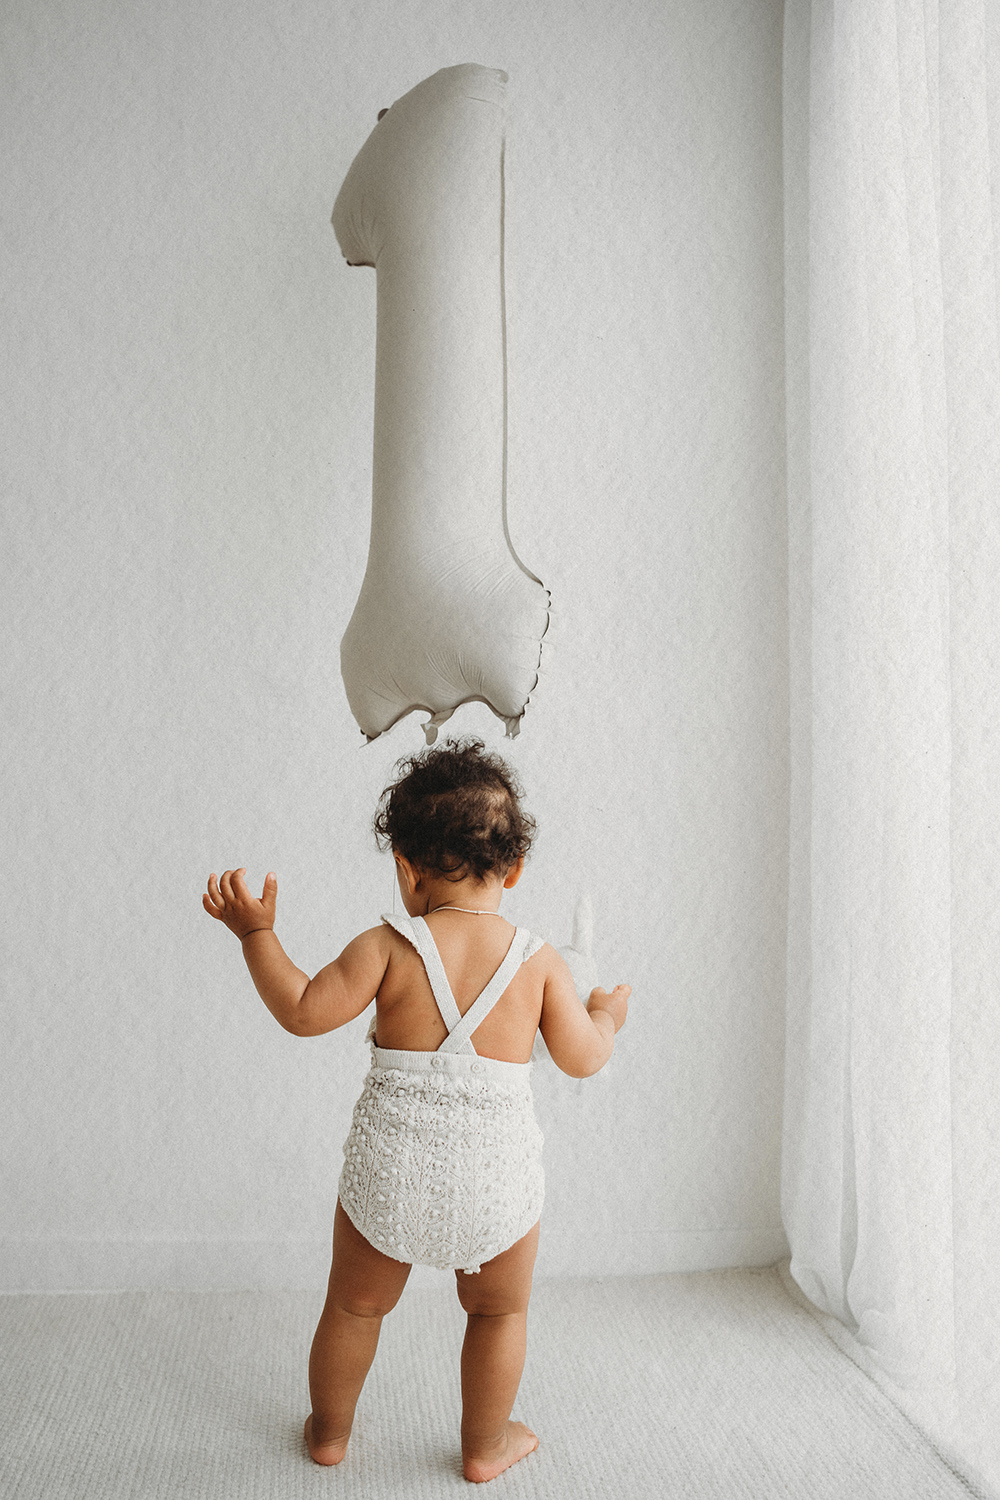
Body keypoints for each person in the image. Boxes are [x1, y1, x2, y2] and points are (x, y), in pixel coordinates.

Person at [203, 738, 630, 1483]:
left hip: (388, 1180)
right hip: (496, 1190)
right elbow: (581, 1057)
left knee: (355, 1307)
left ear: (405, 866)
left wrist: (257, 934)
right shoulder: (538, 962)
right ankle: (483, 1446)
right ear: (516, 868)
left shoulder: (388, 946)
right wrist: (607, 1017)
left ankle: (330, 1433)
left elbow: (304, 1011)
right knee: (498, 1314)